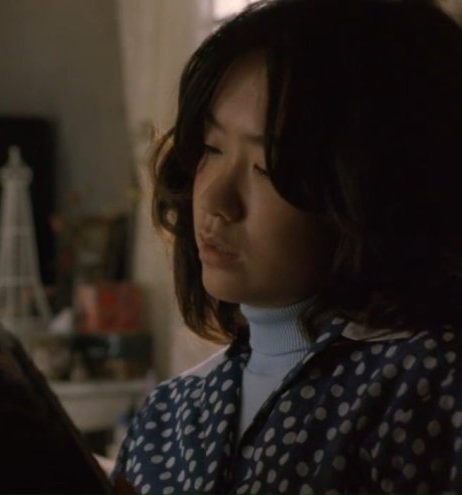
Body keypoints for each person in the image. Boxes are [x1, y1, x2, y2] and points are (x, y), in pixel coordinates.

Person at [113, 0, 462, 493]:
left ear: (376, 186)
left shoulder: (429, 386)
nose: (216, 202)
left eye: (268, 167)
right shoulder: (167, 416)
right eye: (211, 149)